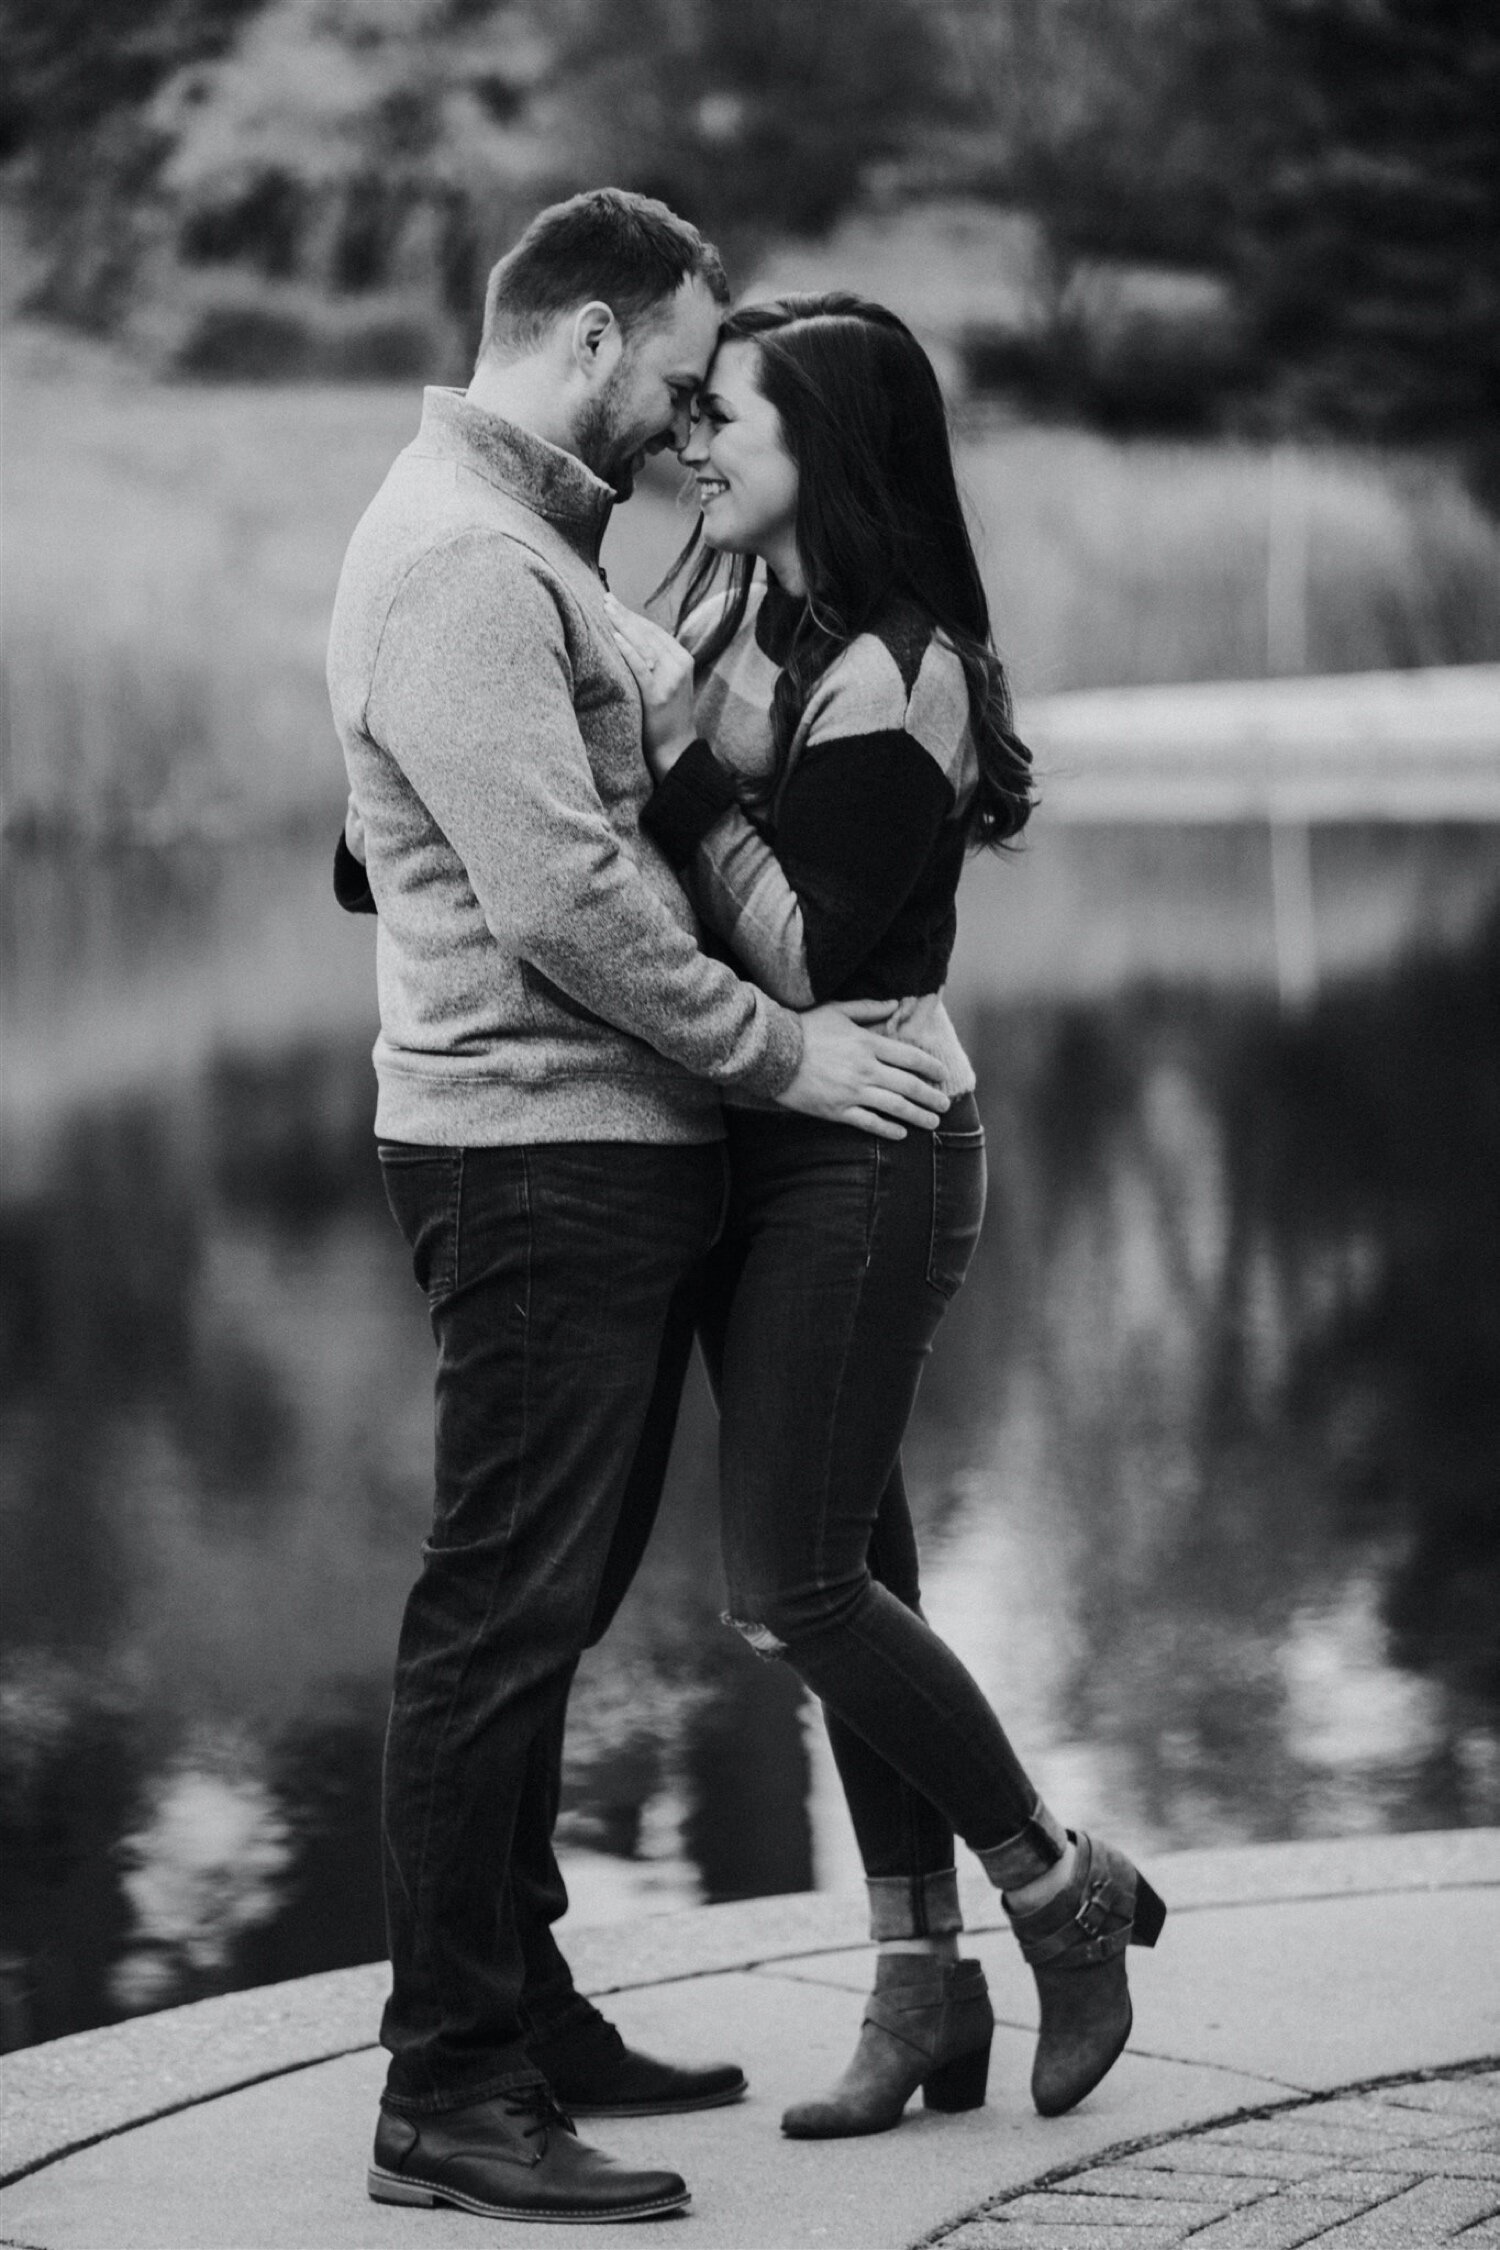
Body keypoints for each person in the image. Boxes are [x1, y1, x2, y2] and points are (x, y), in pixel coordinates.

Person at [327, 209, 952, 2224]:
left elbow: (518, 822)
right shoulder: (463, 558)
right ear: (584, 333)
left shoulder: (529, 553)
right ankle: (447, 2089)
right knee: (501, 1609)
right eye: (682, 374)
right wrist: (783, 1061)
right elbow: (564, 900)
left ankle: (528, 2014)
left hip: (601, 1150)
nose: (696, 418)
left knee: (550, 1613)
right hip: (532, 1154)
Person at [606, 292, 1166, 2142]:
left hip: (877, 1147)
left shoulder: (899, 668)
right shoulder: (720, 600)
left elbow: (804, 947)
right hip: (760, 1137)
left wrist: (682, 765)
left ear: (823, 455)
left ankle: (1059, 1885)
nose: (700, 447)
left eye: (734, 425)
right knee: (862, 1579)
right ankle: (919, 1986)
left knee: (792, 1584)